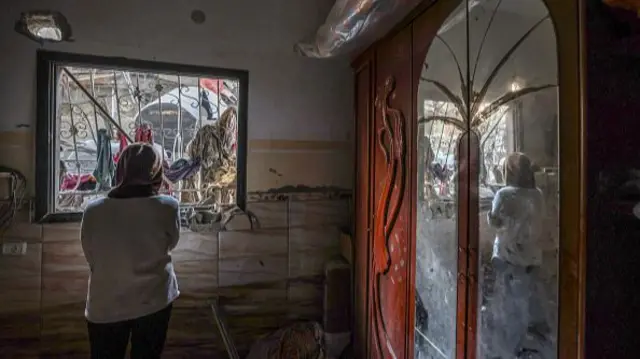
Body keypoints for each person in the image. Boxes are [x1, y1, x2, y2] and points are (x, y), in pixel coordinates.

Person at [80, 142, 181, 359]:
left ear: (120, 171)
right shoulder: (168, 207)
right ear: (157, 172)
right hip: (153, 301)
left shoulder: (93, 211)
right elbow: (171, 243)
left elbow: (91, 254)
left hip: (106, 305)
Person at [484, 152, 548, 358]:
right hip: (531, 259)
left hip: (507, 258)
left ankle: (507, 351)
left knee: (507, 309)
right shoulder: (538, 194)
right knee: (522, 306)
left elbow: (495, 223)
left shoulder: (503, 194)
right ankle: (520, 347)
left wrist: (490, 215)